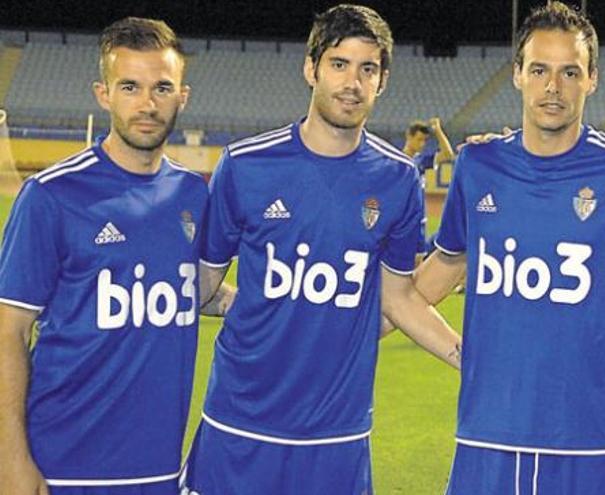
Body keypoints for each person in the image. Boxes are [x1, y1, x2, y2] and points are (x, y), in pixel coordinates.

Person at [181, 5, 462, 495]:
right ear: (311, 68)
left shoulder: (398, 180)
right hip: (240, 422)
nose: (352, 82)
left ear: (383, 81)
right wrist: (229, 301)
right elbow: (200, 287)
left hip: (338, 433)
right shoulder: (246, 165)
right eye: (338, 64)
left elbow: (398, 300)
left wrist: (473, 359)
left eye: (367, 68)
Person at [413, 3, 605, 494]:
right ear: (517, 75)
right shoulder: (478, 164)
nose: (554, 86)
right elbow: (433, 279)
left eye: (570, 71)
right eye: (540, 70)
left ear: (592, 78)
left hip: (594, 439)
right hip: (489, 434)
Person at [0, 17, 210, 494]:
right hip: (62, 464)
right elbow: (8, 330)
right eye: (130, 86)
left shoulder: (192, 196)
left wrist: (257, 301)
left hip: (157, 467)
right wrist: (10, 459)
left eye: (162, 87)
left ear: (183, 96)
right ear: (103, 94)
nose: (147, 103)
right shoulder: (51, 195)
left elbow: (188, 285)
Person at [402, 117, 456, 256]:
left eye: (425, 140)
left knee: (418, 260)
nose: (422, 144)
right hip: (401, 219)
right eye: (419, 139)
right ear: (409, 136)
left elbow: (448, 155)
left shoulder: (422, 160)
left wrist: (438, 131)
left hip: (419, 218)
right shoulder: (396, 161)